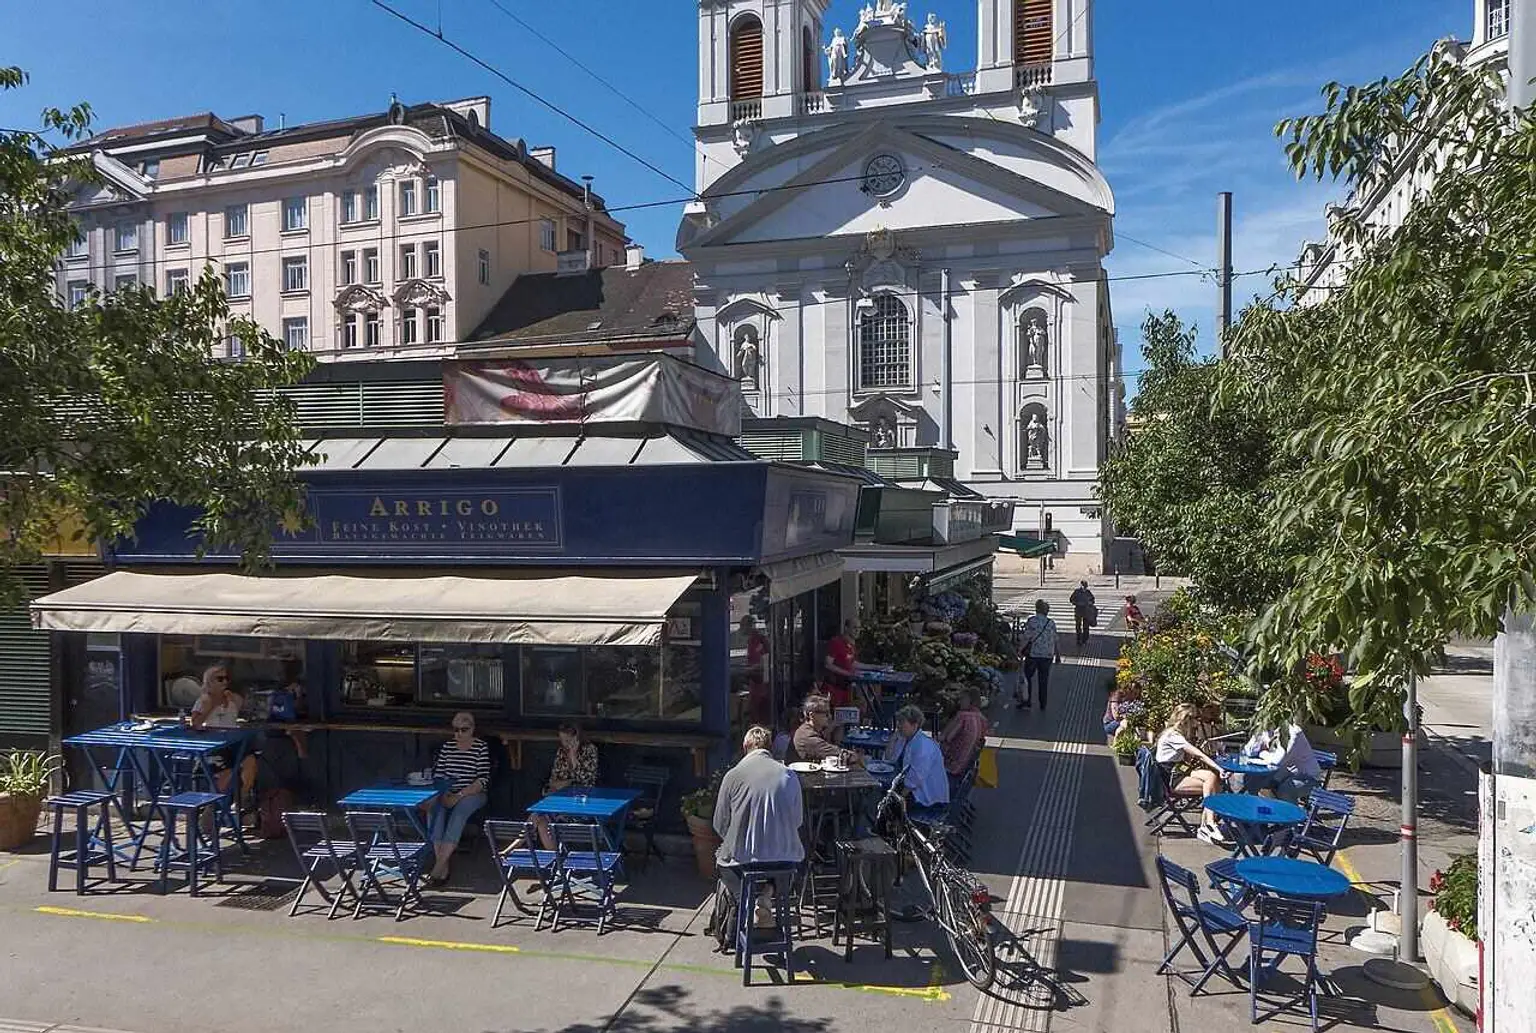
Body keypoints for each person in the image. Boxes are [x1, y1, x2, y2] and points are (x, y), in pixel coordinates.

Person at [713, 726, 805, 931]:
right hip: (784, 862)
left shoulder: (733, 775)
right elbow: (798, 820)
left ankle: (748, 903)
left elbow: (719, 824)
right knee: (780, 861)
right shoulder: (788, 774)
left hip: (745, 862)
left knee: (723, 863)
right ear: (770, 748)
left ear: (745, 747)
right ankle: (767, 893)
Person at [426, 712, 491, 885]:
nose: (459, 734)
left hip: (472, 793)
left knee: (459, 813)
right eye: (456, 730)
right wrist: (445, 794)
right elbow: (439, 775)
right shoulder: (448, 747)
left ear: (472, 729)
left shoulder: (480, 747)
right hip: (448, 791)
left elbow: (483, 780)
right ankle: (443, 864)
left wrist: (459, 795)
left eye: (464, 730)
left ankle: (438, 866)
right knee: (435, 811)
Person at [188, 662, 258, 819]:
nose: (225, 682)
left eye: (226, 679)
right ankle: (211, 808)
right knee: (227, 772)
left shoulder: (232, 698)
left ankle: (242, 798)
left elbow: (247, 706)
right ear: (209, 682)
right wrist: (212, 704)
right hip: (214, 744)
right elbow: (196, 724)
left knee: (250, 762)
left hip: (233, 742)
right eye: (220, 679)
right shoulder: (204, 701)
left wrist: (233, 699)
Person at [1155, 703, 1230, 846]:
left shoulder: (1173, 733)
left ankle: (1207, 825)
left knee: (1212, 779)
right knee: (1213, 785)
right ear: (1186, 719)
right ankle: (1209, 824)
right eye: (1196, 718)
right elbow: (1199, 755)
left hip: (1176, 772)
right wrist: (1219, 768)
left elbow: (1188, 758)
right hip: (1170, 780)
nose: (1198, 722)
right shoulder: (1173, 736)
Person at [536, 722, 600, 848]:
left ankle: (513, 845)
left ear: (576, 738)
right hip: (560, 799)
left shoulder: (590, 750)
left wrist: (573, 758)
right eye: (562, 740)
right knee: (540, 820)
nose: (565, 744)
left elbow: (586, 780)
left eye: (567, 740)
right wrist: (568, 782)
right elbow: (554, 779)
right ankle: (556, 858)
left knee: (538, 816)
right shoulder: (561, 752)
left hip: (581, 804)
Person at [883, 705, 950, 821]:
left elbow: (914, 780)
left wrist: (896, 799)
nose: (898, 725)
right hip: (913, 791)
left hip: (928, 801)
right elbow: (889, 760)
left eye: (902, 722)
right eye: (898, 722)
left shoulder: (923, 745)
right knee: (882, 791)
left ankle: (886, 829)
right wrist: (893, 739)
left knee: (884, 797)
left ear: (914, 725)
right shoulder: (905, 739)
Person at [1240, 722, 1323, 802]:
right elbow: (1249, 751)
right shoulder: (1266, 729)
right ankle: (1255, 810)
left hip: (1309, 777)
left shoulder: (1293, 733)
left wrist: (1262, 753)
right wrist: (1257, 735)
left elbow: (1277, 761)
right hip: (1284, 774)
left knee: (1286, 789)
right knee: (1251, 778)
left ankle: (1292, 815)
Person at [939, 688, 990, 798]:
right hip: (965, 767)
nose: (959, 702)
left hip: (951, 766)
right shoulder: (982, 719)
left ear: (970, 700)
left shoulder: (962, 717)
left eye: (962, 699)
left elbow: (945, 738)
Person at [1016, 599, 1062, 711]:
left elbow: (1027, 637)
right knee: (1044, 679)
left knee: (1028, 677)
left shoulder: (1032, 621)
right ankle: (1043, 703)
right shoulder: (1051, 623)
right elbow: (1055, 639)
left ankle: (1027, 701)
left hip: (1033, 654)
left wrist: (1020, 650)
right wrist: (1058, 654)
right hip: (1047, 655)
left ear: (1036, 609)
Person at [791, 697, 861, 768]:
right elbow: (842, 755)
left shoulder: (812, 730)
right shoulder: (807, 736)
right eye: (826, 714)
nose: (830, 717)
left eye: (830, 713)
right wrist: (856, 755)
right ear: (812, 715)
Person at [823, 619, 860, 710]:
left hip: (846, 689)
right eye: (854, 628)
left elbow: (853, 663)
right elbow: (828, 664)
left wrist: (876, 667)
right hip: (834, 688)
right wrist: (848, 673)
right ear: (846, 628)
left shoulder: (851, 645)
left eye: (859, 628)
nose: (857, 631)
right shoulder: (836, 642)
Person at [740, 616, 770, 724]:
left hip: (761, 681)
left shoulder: (759, 640)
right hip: (754, 680)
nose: (741, 629)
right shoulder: (750, 641)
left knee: (759, 709)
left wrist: (748, 669)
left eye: (743, 626)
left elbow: (765, 662)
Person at [1069, 580, 1096, 648]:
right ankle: (1078, 639)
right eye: (1083, 586)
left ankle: (1084, 639)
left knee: (1086, 626)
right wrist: (1077, 603)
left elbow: (1093, 600)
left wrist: (1090, 602)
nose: (1085, 588)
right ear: (1081, 585)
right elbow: (1071, 599)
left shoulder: (1088, 592)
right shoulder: (1077, 592)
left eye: (1086, 586)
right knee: (1078, 626)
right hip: (1078, 610)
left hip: (1086, 611)